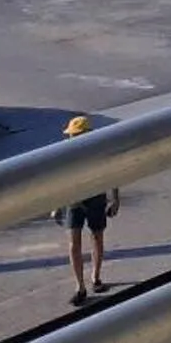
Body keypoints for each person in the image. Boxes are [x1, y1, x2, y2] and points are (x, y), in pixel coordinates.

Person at [53, 116, 122, 307]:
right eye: (71, 135)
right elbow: (58, 181)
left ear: (86, 135)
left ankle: (96, 278)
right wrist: (56, 205)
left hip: (95, 198)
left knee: (97, 237)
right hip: (73, 202)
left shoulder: (99, 152)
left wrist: (114, 199)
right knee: (73, 244)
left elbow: (112, 174)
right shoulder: (65, 154)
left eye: (75, 135)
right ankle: (79, 287)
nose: (71, 139)